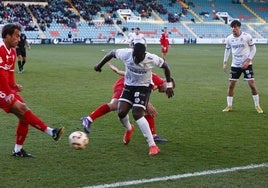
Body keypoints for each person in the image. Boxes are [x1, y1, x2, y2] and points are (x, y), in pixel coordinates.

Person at [93, 43, 174, 156]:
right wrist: (99, 65)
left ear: (144, 55)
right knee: (121, 112)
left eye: (138, 57)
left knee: (137, 113)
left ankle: (153, 146)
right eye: (134, 56)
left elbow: (166, 66)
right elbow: (111, 53)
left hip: (143, 87)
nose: (135, 59)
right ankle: (129, 128)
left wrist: (169, 86)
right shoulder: (126, 53)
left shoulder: (151, 58)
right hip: (129, 86)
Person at [0, 23, 65, 157]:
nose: (19, 39)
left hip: (5, 88)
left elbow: (9, 73)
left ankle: (18, 150)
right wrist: (8, 92)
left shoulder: (12, 52)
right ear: (7, 36)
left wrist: (14, 86)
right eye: (16, 36)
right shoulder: (0, 48)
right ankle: (51, 132)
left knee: (24, 116)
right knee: (22, 109)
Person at [81, 63, 175, 142]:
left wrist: (117, 71)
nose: (166, 92)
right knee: (115, 105)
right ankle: (89, 118)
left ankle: (152, 135)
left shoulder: (157, 84)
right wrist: (147, 104)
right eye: (168, 88)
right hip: (124, 85)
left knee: (146, 110)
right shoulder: (157, 79)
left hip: (132, 88)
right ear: (165, 81)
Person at [222, 20, 263, 114]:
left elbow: (253, 49)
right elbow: (227, 50)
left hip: (247, 65)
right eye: (232, 27)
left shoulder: (246, 36)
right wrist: (225, 62)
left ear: (239, 27)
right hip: (235, 65)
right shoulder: (229, 38)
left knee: (252, 84)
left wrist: (248, 60)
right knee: (231, 84)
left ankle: (257, 106)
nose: (233, 29)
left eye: (235, 27)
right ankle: (229, 106)